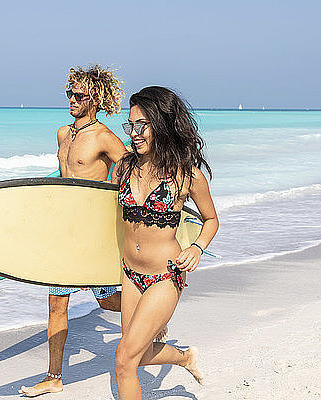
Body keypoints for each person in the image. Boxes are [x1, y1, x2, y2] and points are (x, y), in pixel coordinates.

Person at [20, 65, 127, 397]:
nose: (72, 99)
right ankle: (54, 376)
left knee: (109, 302)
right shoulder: (62, 134)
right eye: (69, 93)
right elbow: (61, 178)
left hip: (91, 236)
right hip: (63, 233)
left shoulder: (105, 138)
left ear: (94, 97)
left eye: (78, 95)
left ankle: (152, 313)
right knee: (56, 304)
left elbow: (128, 173)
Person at [112, 86, 219, 399]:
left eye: (141, 125)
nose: (134, 133)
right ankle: (185, 357)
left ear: (161, 124)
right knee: (137, 354)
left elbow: (211, 220)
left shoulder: (188, 176)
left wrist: (197, 248)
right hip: (129, 274)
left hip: (165, 275)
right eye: (130, 125)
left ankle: (184, 358)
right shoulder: (124, 167)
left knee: (123, 360)